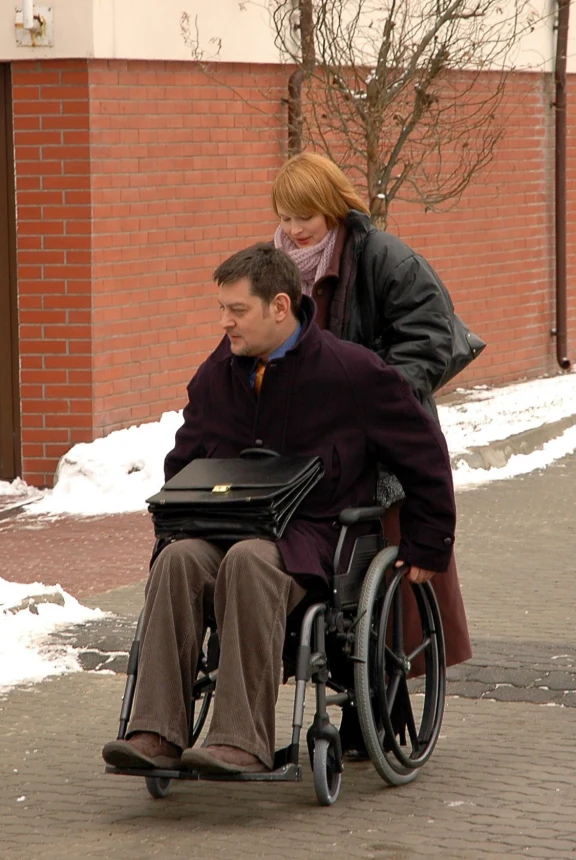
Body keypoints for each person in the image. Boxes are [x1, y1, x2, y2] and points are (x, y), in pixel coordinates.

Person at [101, 243, 456, 774]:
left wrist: (428, 542)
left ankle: (240, 741)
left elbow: (422, 453)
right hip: (225, 525)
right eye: (221, 309)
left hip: (316, 538)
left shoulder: (351, 372)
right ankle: (156, 731)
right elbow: (184, 462)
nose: (225, 323)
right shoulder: (217, 376)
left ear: (280, 307)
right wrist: (176, 522)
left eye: (237, 310)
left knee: (249, 559)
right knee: (177, 562)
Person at [270, 152, 471, 753]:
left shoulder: (385, 257)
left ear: (332, 205)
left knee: (377, 566)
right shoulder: (276, 263)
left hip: (381, 436)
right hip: (305, 444)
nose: (295, 226)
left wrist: (370, 397)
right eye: (284, 214)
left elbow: (431, 338)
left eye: (305, 214)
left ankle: (379, 698)